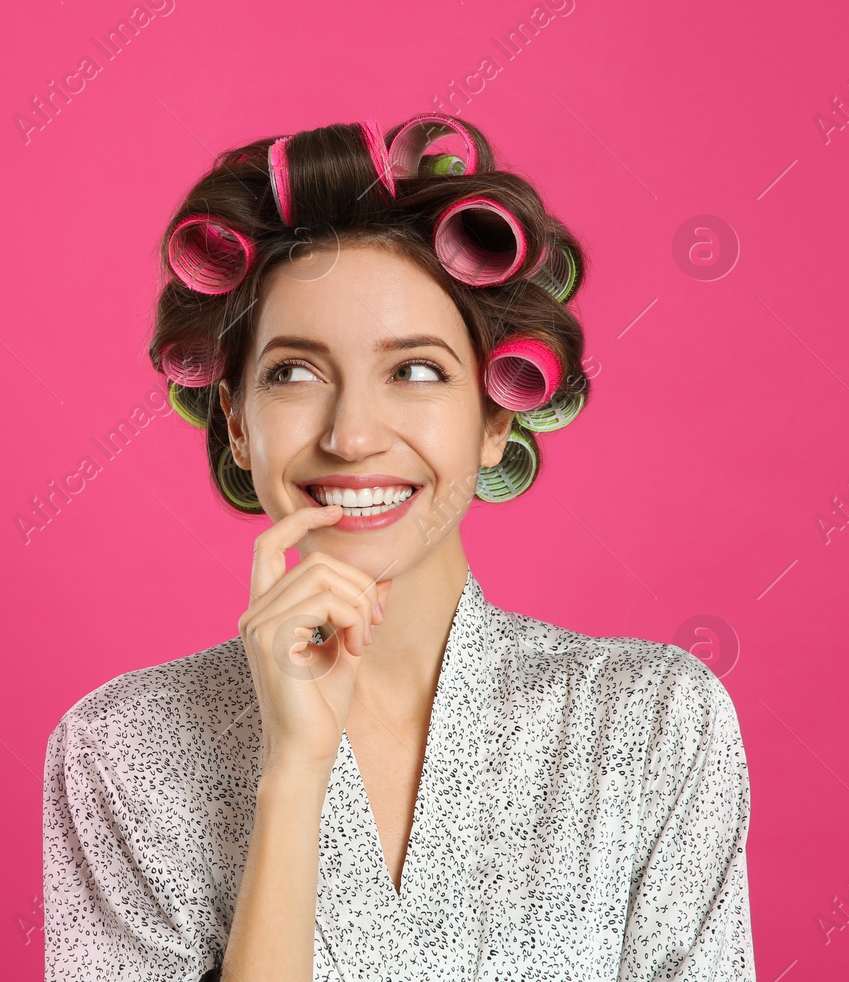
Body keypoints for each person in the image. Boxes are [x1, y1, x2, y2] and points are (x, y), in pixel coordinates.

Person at [41, 116, 755, 981]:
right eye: (294, 372)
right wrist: (294, 773)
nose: (351, 436)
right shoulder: (120, 746)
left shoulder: (655, 724)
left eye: (415, 370)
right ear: (235, 419)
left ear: (495, 417)